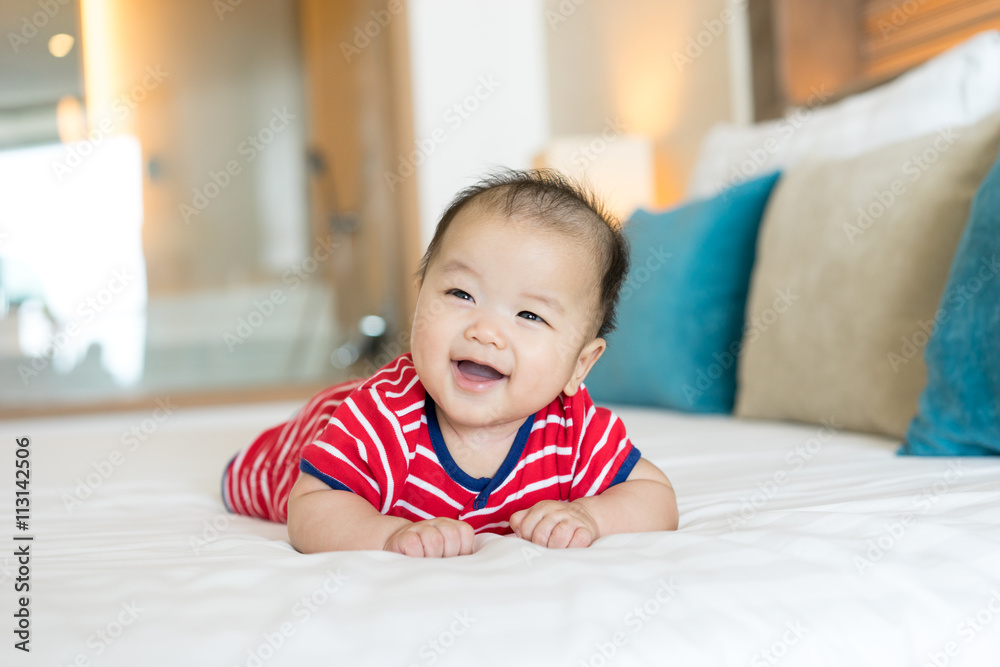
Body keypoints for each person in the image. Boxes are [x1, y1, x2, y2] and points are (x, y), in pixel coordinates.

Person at [222, 169, 678, 557]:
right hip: (317, 433)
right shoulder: (384, 416)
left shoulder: (572, 429)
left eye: (529, 315)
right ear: (420, 295)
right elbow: (311, 507)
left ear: (580, 366)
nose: (485, 330)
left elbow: (654, 495)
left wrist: (590, 516)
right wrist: (389, 535)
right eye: (461, 294)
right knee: (270, 472)